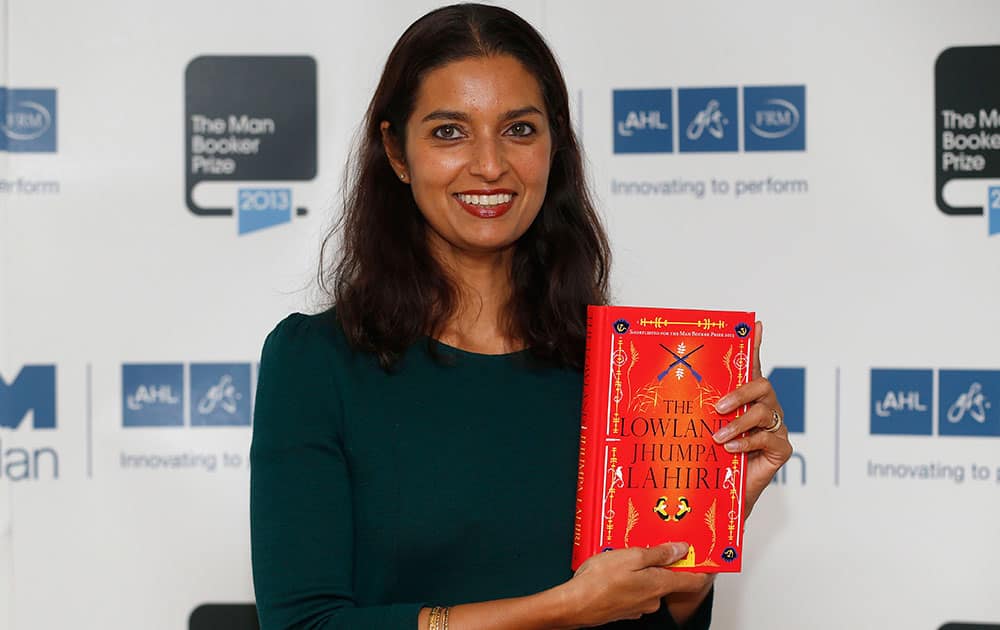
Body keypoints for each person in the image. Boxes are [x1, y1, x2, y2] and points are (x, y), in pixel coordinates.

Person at [249, 4, 793, 629]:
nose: (489, 165)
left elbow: (652, 617)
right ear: (396, 152)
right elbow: (303, 625)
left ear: (554, 145)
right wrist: (563, 608)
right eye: (449, 131)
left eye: (519, 130)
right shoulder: (317, 362)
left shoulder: (624, 369)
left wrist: (700, 542)